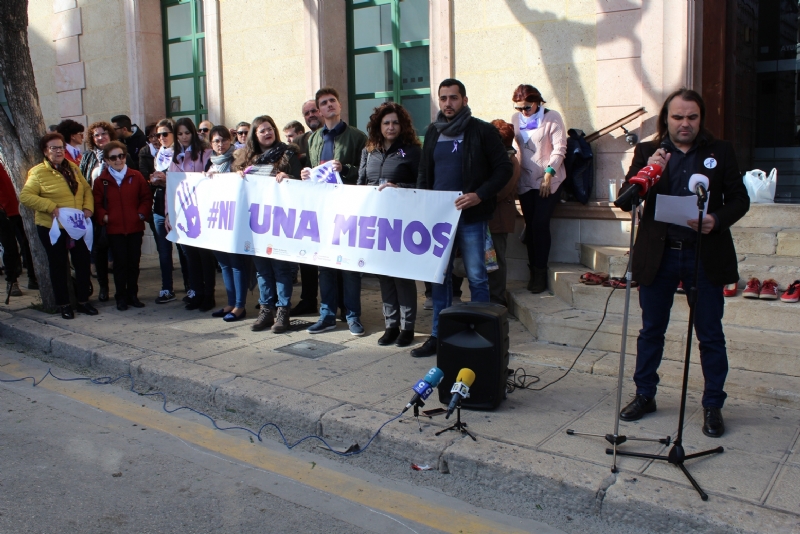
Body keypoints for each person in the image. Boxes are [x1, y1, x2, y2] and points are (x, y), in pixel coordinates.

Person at [617, 88, 750, 438]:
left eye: (692, 117)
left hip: (703, 254)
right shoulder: (649, 151)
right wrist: (649, 171)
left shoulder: (720, 151)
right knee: (651, 332)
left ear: (700, 118)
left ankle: (712, 404)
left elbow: (739, 199)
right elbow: (624, 202)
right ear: (666, 119)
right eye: (678, 117)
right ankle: (645, 395)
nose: (685, 124)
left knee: (710, 334)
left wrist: (716, 220)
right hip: (659, 254)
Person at [411, 78, 513, 358]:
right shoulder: (433, 131)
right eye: (443, 98)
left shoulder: (481, 131)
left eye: (453, 98)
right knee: (439, 277)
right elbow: (424, 170)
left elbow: (502, 169)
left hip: (471, 216)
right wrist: (423, 204)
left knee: (477, 276)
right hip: (439, 218)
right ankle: (437, 335)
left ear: (464, 100)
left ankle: (478, 332)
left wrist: (479, 195)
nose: (448, 103)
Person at [300, 87, 368, 336]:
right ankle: (327, 315)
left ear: (339, 106)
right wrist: (306, 174)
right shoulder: (313, 138)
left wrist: (346, 168)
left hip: (348, 210)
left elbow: (364, 173)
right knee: (325, 264)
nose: (329, 106)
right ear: (319, 110)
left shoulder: (357, 137)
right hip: (322, 210)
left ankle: (352, 315)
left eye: (332, 101)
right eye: (324, 103)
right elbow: (311, 170)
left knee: (349, 266)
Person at [357, 102, 421, 347]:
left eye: (395, 122)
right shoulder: (369, 150)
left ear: (402, 125)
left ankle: (408, 328)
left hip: (402, 223)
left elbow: (423, 185)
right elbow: (361, 182)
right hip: (376, 221)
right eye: (386, 123)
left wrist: (400, 189)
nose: (391, 127)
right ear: (378, 126)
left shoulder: (413, 151)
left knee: (402, 276)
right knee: (384, 275)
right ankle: (391, 325)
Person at [233, 116, 303, 333]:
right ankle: (266, 310)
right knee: (262, 269)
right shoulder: (246, 158)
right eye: (262, 130)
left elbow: (301, 182)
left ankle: (283, 312)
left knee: (281, 268)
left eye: (270, 128)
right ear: (255, 134)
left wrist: (288, 176)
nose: (267, 133)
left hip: (279, 221)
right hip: (255, 222)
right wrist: (236, 176)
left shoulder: (289, 153)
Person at [19, 133, 97, 319]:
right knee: (59, 266)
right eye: (54, 148)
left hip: (76, 225)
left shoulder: (73, 168)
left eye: (61, 147)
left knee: (82, 262)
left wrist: (88, 207)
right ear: (46, 152)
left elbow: (86, 189)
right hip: (52, 227)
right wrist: (49, 206)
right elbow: (26, 196)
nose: (59, 151)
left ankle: (83, 302)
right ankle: (64, 305)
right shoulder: (38, 172)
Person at [511, 84, 567, 294]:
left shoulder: (552, 117)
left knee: (540, 224)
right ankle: (532, 270)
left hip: (547, 179)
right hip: (525, 181)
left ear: (536, 103)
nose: (523, 112)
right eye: (519, 108)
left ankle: (541, 272)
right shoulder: (516, 120)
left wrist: (549, 173)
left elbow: (560, 148)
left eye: (526, 107)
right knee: (530, 226)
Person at [92, 141, 152, 310]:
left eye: (121, 156)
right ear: (107, 160)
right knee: (120, 265)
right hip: (114, 229)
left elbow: (146, 198)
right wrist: (105, 218)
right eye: (113, 157)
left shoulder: (136, 176)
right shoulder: (101, 181)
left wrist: (140, 214)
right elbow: (97, 204)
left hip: (134, 228)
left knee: (133, 264)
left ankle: (133, 294)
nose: (118, 160)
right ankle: (121, 297)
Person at [165, 118, 216, 312]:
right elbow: (171, 188)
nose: (184, 137)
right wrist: (169, 213)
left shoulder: (205, 154)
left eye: (187, 133)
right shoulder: (174, 158)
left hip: (201, 212)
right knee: (190, 256)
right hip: (182, 213)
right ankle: (197, 292)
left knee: (205, 256)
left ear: (193, 133)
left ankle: (208, 294)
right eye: (180, 134)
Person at [205, 125, 250, 322]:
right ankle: (231, 303)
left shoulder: (238, 157)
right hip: (217, 219)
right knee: (224, 263)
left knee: (237, 263)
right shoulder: (211, 163)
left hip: (235, 218)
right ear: (211, 144)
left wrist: (241, 174)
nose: (220, 144)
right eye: (216, 140)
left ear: (229, 140)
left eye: (223, 140)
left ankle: (240, 306)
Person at [148, 119, 189, 303]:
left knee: (183, 250)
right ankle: (167, 288)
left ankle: (191, 287)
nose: (161, 138)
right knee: (163, 252)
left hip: (177, 207)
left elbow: (184, 182)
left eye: (165, 133)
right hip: (158, 206)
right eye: (158, 134)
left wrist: (167, 180)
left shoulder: (180, 154)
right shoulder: (159, 154)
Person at [291, 99, 324, 317]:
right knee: (308, 259)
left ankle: (341, 304)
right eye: (306, 113)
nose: (311, 114)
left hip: (334, 206)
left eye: (314, 111)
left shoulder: (342, 134)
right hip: (308, 207)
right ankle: (308, 299)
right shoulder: (299, 142)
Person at [489, 119, 521, 307]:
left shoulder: (510, 160)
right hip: (489, 215)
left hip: (499, 216)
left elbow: (501, 190)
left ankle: (498, 299)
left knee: (497, 260)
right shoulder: (496, 157)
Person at [0, 162, 37, 295]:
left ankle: (33, 278)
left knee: (29, 245)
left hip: (23, 209)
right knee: (10, 248)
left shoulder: (13, 160)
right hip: (4, 212)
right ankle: (12, 281)